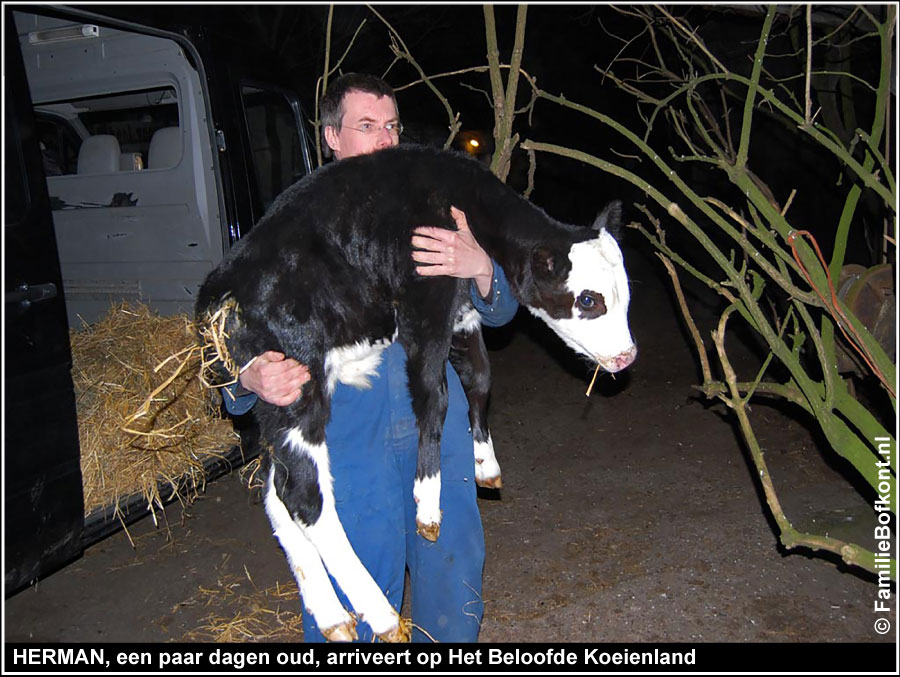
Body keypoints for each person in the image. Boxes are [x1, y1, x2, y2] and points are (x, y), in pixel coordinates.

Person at [224, 73, 518, 642]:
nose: (385, 141)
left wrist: (481, 266)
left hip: (438, 434)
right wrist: (248, 374)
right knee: (354, 614)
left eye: (391, 127)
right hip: (349, 443)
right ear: (331, 136)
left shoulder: (433, 207)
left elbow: (501, 311)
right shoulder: (293, 223)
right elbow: (226, 327)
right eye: (366, 127)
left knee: (453, 594)